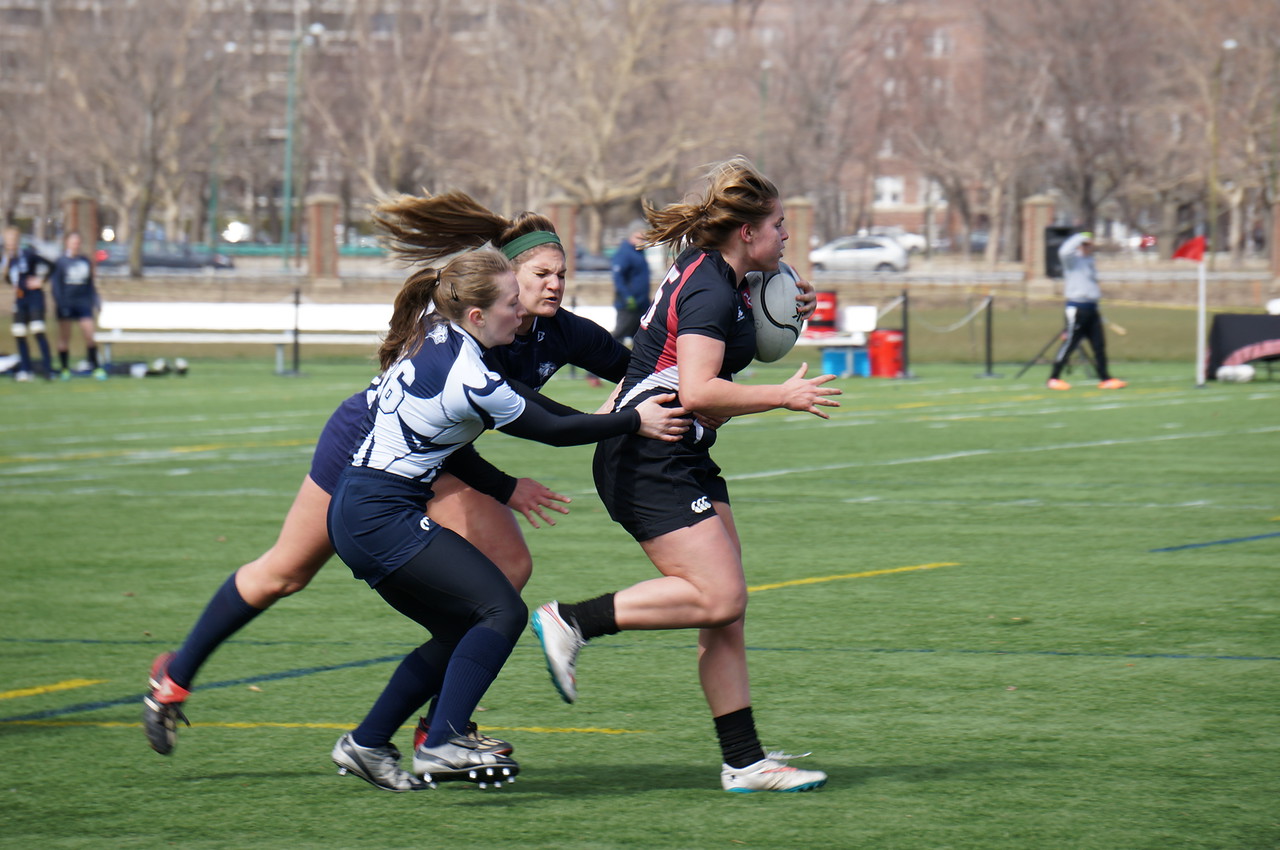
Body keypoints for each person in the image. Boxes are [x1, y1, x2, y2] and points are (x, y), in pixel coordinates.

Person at [141, 193, 655, 762]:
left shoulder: (564, 331)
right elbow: (482, 429)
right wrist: (507, 486)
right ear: (506, 278)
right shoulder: (463, 332)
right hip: (366, 447)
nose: (555, 285)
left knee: (508, 570)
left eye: (562, 273)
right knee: (283, 575)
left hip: (434, 459)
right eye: (540, 275)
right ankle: (174, 678)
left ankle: (443, 725)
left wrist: (702, 357)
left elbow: (641, 368)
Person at [529, 157, 841, 794]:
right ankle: (573, 620)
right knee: (720, 597)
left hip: (679, 449)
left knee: (726, 612)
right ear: (746, 233)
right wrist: (782, 396)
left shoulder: (721, 269)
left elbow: (748, 312)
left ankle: (745, 763)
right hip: (649, 453)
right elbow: (698, 390)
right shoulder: (711, 289)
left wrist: (793, 293)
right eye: (779, 226)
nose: (787, 236)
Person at [326, 249, 689, 791]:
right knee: (502, 610)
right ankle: (444, 742)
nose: (521, 314)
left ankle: (369, 742)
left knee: (459, 627)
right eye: (511, 304)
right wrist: (634, 421)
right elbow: (554, 429)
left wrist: (623, 415)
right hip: (379, 514)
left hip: (362, 509)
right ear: (477, 315)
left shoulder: (440, 334)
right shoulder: (470, 373)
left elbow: (545, 412)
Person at [1047, 231, 1126, 391]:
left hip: (1092, 308)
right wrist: (1081, 237)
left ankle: (1105, 378)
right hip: (1076, 309)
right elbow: (1063, 251)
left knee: (1099, 345)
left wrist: (1097, 308)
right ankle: (1054, 378)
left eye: (1089, 245)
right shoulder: (1072, 261)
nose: (1088, 247)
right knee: (1069, 344)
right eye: (1085, 245)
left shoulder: (1090, 261)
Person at [49, 231, 106, 380]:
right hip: (66, 303)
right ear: (67, 243)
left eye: (78, 242)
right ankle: (64, 368)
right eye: (73, 242)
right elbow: (56, 286)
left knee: (89, 335)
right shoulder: (61, 262)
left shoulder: (84, 261)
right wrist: (60, 303)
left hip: (83, 302)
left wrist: (96, 301)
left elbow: (90, 284)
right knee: (64, 337)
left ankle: (95, 367)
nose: (76, 245)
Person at [3, 225, 55, 381]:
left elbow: (51, 265)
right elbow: (10, 278)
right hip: (20, 300)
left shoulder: (28, 254)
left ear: (17, 240)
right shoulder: (7, 259)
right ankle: (26, 370)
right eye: (8, 240)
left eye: (13, 240)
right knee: (19, 332)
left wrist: (41, 280)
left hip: (34, 298)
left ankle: (48, 369)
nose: (10, 243)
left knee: (37, 330)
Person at [609, 220, 651, 343]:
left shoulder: (639, 253)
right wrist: (627, 297)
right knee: (620, 335)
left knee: (642, 337)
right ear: (631, 235)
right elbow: (618, 278)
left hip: (642, 303)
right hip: (628, 304)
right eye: (639, 237)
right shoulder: (624, 253)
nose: (642, 240)